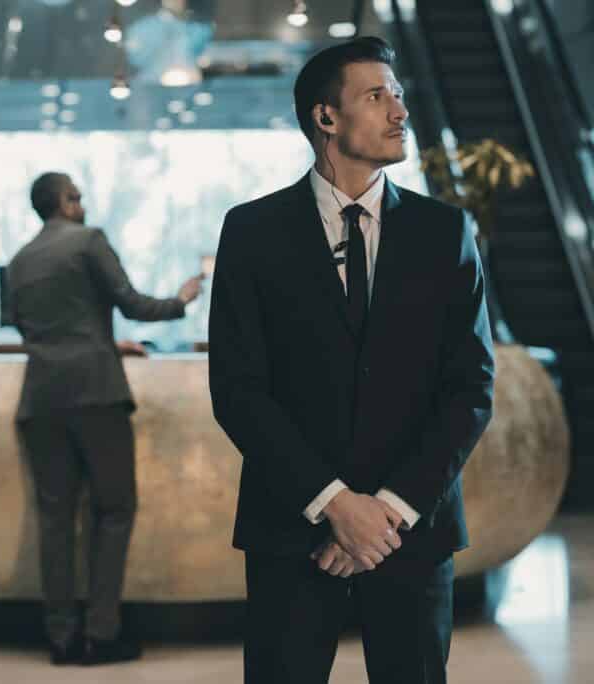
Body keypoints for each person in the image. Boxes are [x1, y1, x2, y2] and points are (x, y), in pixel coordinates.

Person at [208, 37, 495, 684]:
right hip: (293, 531)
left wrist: (384, 510)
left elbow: (470, 387)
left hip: (412, 534)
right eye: (377, 95)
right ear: (325, 118)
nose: (399, 110)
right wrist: (336, 506)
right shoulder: (252, 232)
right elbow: (239, 390)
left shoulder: (445, 232)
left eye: (398, 94)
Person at [8, 172, 203, 665]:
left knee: (55, 521)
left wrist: (98, 337)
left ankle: (61, 639)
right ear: (65, 201)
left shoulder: (19, 261)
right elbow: (132, 302)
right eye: (77, 194)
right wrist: (181, 301)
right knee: (113, 512)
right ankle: (102, 633)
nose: (83, 202)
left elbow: (37, 329)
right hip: (95, 394)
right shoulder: (88, 240)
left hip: (41, 400)